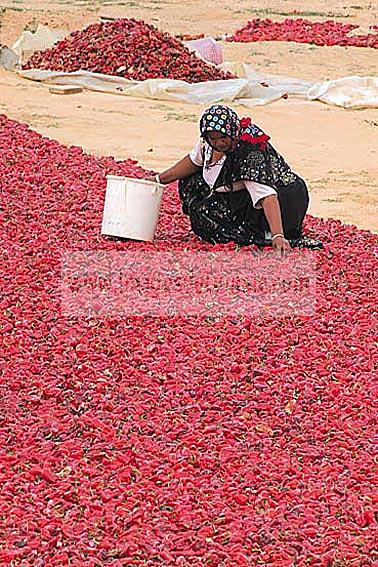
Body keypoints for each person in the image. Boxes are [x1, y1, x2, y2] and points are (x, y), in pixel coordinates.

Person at [149, 105, 322, 252]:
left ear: (232, 132)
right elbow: (193, 162)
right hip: (243, 193)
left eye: (223, 138)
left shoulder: (248, 152)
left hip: (281, 201)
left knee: (209, 218)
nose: (219, 143)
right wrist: (157, 180)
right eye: (213, 139)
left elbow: (266, 194)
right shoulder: (208, 143)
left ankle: (263, 233)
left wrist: (278, 235)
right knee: (191, 181)